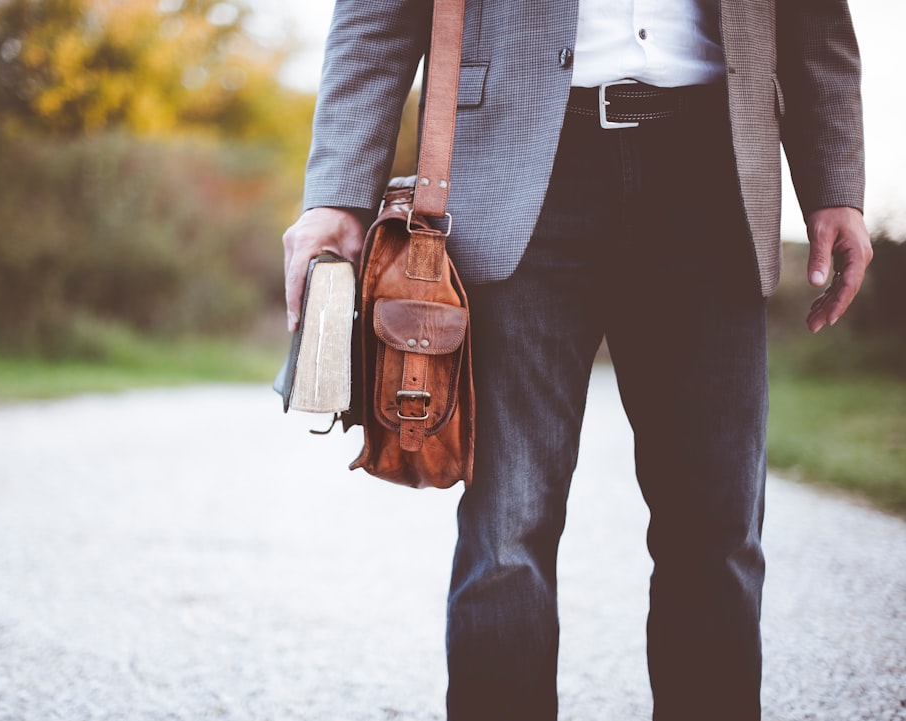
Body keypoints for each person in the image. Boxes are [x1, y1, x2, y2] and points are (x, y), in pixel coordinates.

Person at [281, 1, 872, 719]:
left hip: (713, 172)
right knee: (507, 528)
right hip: (520, 167)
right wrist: (337, 193)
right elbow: (376, 16)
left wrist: (835, 180)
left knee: (718, 532)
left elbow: (814, 20)